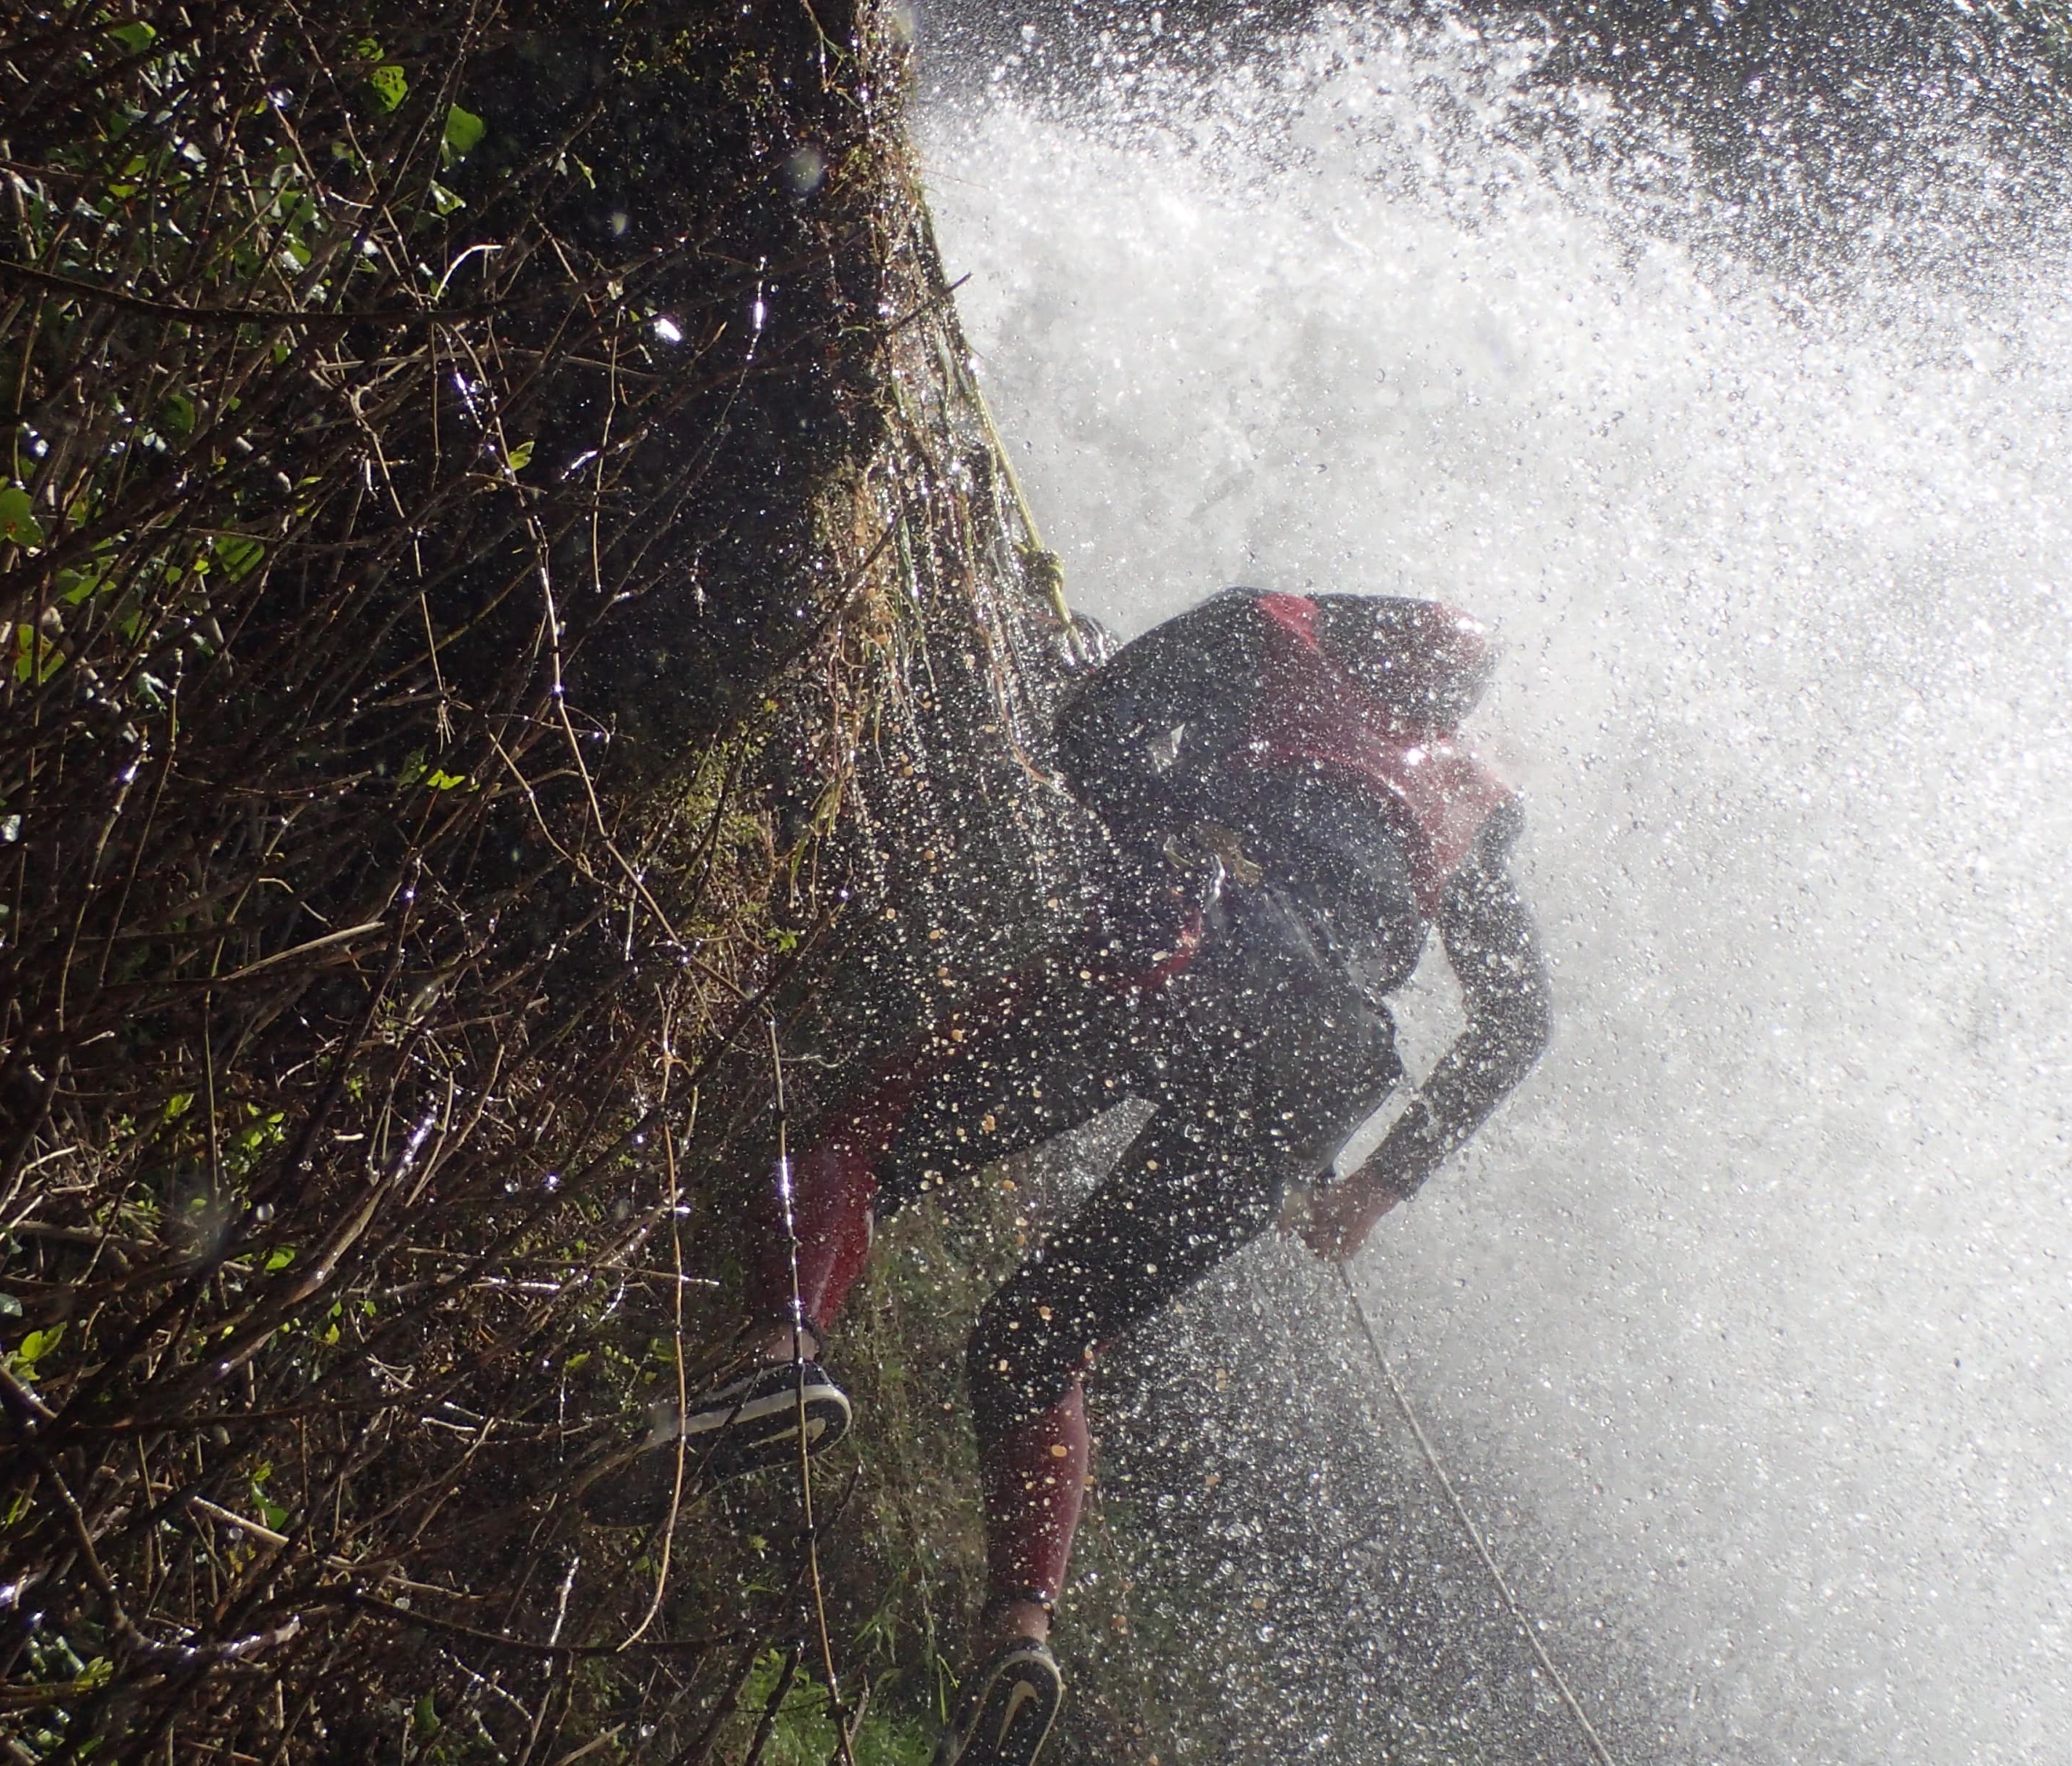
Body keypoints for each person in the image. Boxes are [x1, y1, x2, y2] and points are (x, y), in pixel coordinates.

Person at [592, 589, 1550, 1766]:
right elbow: (1517, 1020)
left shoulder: (1272, 627)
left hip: (1184, 951)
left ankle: (780, 1356)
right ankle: (1018, 1638)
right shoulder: (1477, 799)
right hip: (1326, 1064)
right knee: (1038, 1340)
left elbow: (1092, 726)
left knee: (855, 1138)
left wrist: (1165, 842)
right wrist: (1379, 1185)